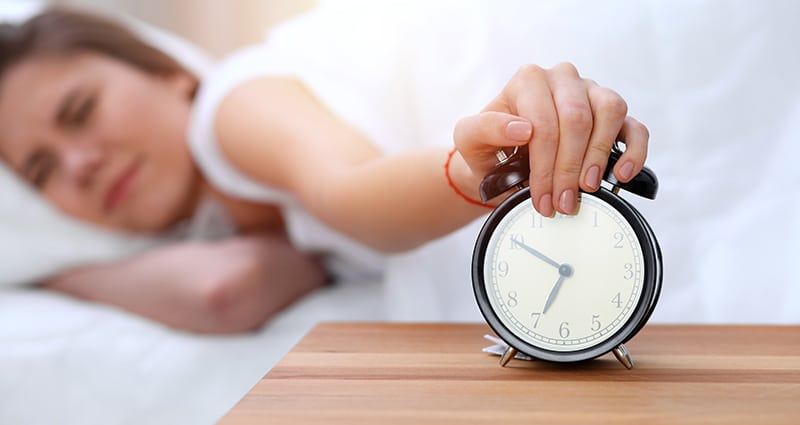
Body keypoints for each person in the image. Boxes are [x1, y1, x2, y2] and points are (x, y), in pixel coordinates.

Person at [0, 7, 649, 333]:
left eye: (80, 111)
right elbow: (226, 289)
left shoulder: (232, 105)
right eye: (41, 169)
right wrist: (43, 279)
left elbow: (347, 192)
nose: (80, 165)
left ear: (168, 73)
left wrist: (478, 170)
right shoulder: (236, 218)